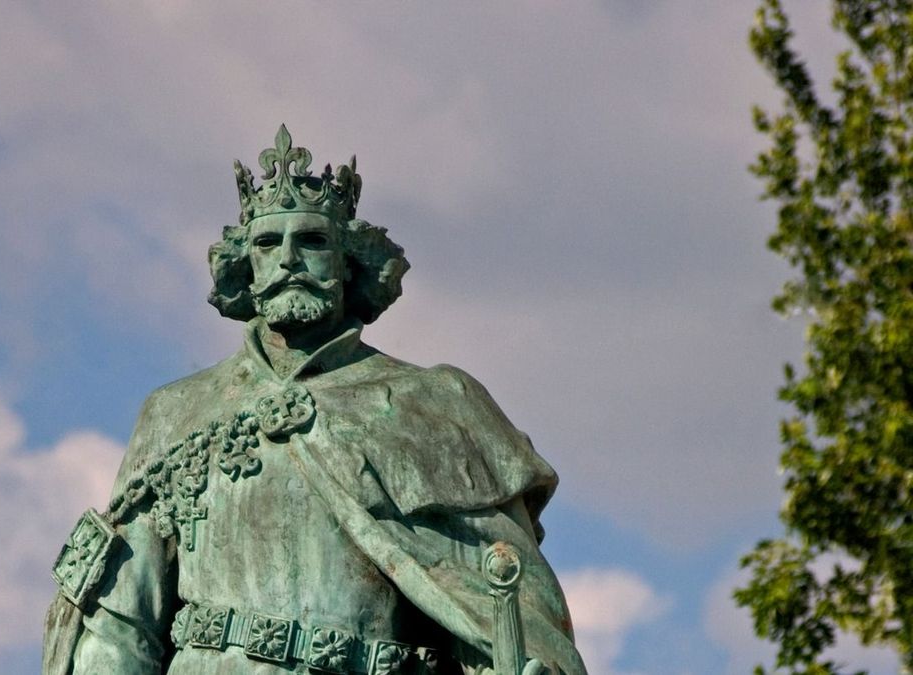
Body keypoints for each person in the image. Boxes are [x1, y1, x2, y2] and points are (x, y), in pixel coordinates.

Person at [43, 126, 587, 675]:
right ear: (245, 265)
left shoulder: (437, 406)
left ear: (349, 262)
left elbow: (509, 610)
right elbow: (120, 625)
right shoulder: (176, 412)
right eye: (266, 244)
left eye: (311, 241)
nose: (288, 260)